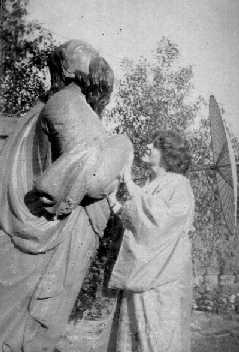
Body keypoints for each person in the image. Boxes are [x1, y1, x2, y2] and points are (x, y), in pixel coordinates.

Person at [0, 40, 133, 352]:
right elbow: (94, 178)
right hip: (51, 241)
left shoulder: (48, 106)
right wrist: (122, 145)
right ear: (75, 72)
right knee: (25, 329)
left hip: (43, 239)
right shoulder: (68, 102)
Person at [107, 130, 195, 352]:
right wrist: (114, 201)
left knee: (157, 338)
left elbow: (157, 222)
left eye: (154, 145)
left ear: (168, 155)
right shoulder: (152, 184)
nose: (147, 146)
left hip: (162, 281)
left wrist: (128, 181)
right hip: (142, 274)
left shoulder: (179, 185)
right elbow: (137, 219)